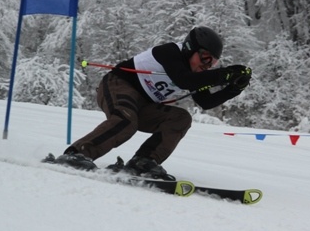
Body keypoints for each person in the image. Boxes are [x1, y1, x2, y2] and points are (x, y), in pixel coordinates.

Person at [55, 26, 252, 178]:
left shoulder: (195, 73)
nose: (207, 65)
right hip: (117, 85)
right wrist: (224, 74)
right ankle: (77, 153)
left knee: (180, 118)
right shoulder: (170, 52)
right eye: (205, 58)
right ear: (190, 49)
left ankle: (143, 161)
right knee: (126, 120)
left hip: (143, 104)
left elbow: (206, 101)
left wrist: (233, 88)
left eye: (213, 63)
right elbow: (184, 80)